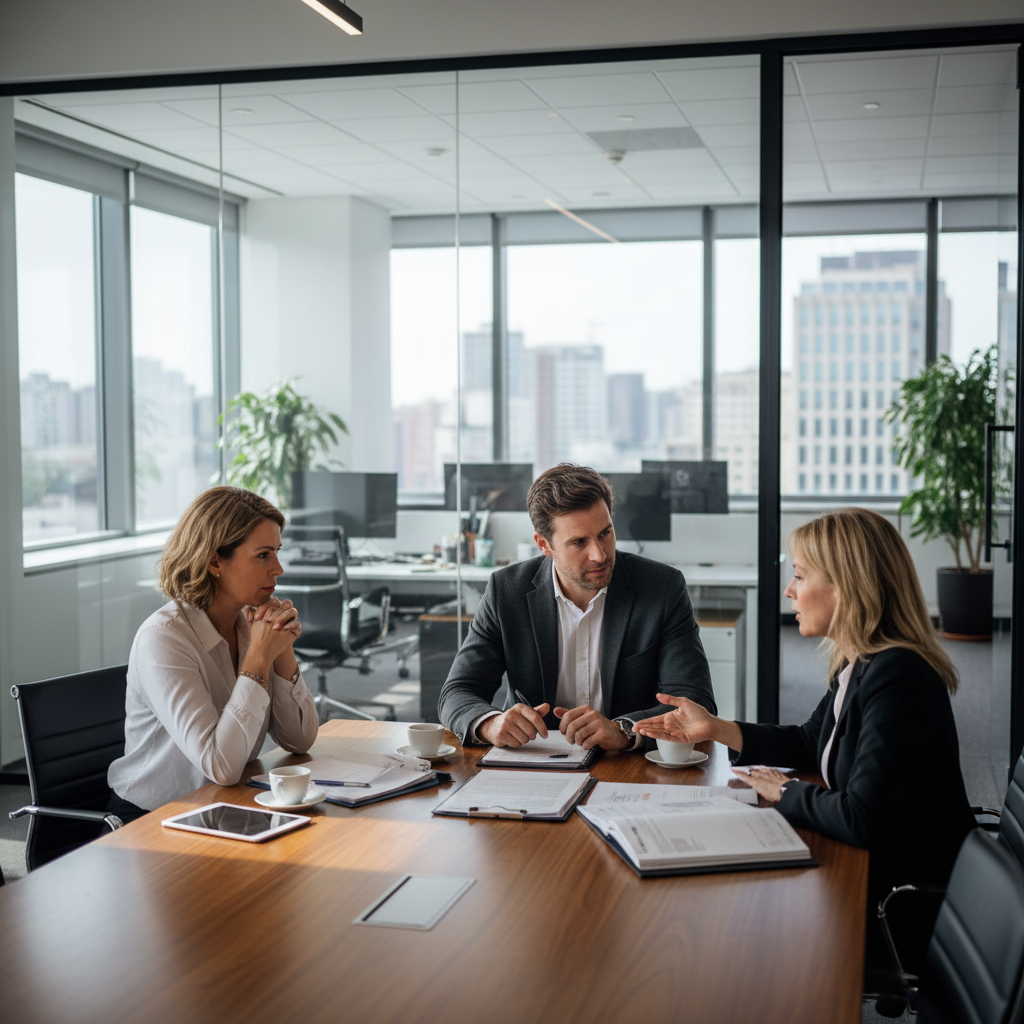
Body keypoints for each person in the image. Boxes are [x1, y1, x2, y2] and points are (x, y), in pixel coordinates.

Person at [635, 507, 975, 960]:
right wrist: (717, 729)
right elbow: (811, 742)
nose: (789, 591)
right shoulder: (860, 663)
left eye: (799, 576)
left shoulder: (900, 677)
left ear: (848, 586)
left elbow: (861, 819)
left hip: (901, 899)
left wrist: (785, 791)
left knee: (738, 932)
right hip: (872, 870)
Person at [438, 464, 715, 752]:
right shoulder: (507, 591)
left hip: (629, 763)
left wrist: (623, 730)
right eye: (579, 542)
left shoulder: (662, 588)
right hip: (534, 760)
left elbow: (694, 702)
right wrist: (490, 723)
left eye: (605, 533)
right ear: (544, 545)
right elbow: (457, 692)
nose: (599, 554)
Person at [107, 487, 319, 820]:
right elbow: (221, 766)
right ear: (214, 560)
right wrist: (258, 659)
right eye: (263, 555)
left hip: (225, 804)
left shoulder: (251, 623)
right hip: (152, 821)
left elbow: (300, 739)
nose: (278, 568)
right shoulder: (164, 639)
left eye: (277, 552)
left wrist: (281, 652)